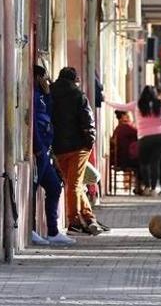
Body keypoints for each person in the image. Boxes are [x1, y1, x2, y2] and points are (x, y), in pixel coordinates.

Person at [50, 67, 107, 236]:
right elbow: (88, 121)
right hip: (78, 148)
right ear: (75, 79)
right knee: (75, 184)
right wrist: (90, 143)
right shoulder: (78, 95)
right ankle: (74, 221)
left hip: (59, 147)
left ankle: (89, 218)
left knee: (72, 183)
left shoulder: (50, 93)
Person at [107, 86, 161, 196]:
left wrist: (106, 101)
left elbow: (122, 106)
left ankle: (147, 186)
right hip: (160, 136)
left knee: (144, 163)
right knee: (156, 163)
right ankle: (153, 189)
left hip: (144, 136)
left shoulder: (137, 104)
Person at [31, 65, 75, 245]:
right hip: (39, 151)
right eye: (43, 77)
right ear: (37, 77)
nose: (46, 81)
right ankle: (31, 230)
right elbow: (33, 121)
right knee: (32, 192)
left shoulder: (42, 96)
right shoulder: (33, 95)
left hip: (46, 150)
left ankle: (53, 231)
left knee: (55, 187)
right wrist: (38, 147)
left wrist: (48, 94)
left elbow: (49, 114)